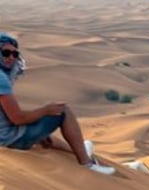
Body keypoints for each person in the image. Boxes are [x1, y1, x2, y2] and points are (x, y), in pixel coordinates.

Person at [0, 33, 115, 175]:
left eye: (14, 54)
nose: (11, 57)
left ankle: (77, 150)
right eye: (5, 53)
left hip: (6, 135)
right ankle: (87, 163)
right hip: (10, 140)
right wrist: (46, 110)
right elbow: (17, 118)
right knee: (62, 111)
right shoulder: (1, 80)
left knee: (44, 134)